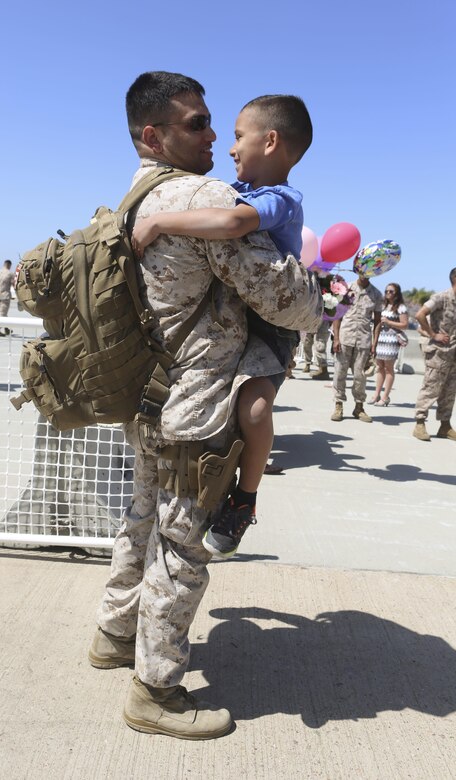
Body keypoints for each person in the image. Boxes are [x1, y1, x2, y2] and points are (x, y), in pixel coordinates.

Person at [89, 71, 321, 740]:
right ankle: (155, 690)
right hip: (196, 403)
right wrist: (318, 292)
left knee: (140, 520)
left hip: (146, 390)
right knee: (182, 545)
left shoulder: (135, 198)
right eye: (197, 123)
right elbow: (286, 301)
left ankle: (114, 632)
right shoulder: (204, 196)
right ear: (154, 133)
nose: (215, 135)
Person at [132, 93, 312, 558]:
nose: (229, 147)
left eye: (237, 136)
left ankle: (244, 500)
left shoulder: (280, 199)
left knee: (253, 411)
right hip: (244, 324)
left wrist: (157, 223)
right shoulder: (242, 190)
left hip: (271, 330)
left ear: (270, 141)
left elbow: (231, 222)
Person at [331, 273, 383, 422]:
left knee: (360, 376)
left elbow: (378, 321)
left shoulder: (376, 294)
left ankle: (359, 407)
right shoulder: (347, 289)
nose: (364, 275)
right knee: (340, 373)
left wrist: (374, 343)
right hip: (345, 337)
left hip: (363, 341)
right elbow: (337, 315)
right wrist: (336, 338)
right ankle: (338, 405)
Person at [412, 268, 456, 441]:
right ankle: (420, 423)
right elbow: (419, 314)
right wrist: (433, 334)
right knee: (431, 388)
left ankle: (445, 426)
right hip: (438, 353)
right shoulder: (441, 297)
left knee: (449, 392)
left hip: (454, 354)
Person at [369, 282, 408, 406]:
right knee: (379, 367)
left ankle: (385, 396)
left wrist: (389, 322)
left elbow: (405, 325)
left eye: (391, 291)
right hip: (381, 338)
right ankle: (376, 394)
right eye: (386, 291)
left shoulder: (401, 307)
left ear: (397, 293)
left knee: (389, 368)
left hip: (391, 340)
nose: (388, 293)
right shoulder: (383, 306)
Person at [0, 259, 14, 336]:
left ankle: (6, 329)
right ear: (9, 265)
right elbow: (13, 284)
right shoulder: (10, 274)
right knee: (3, 314)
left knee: (3, 312)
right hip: (5, 296)